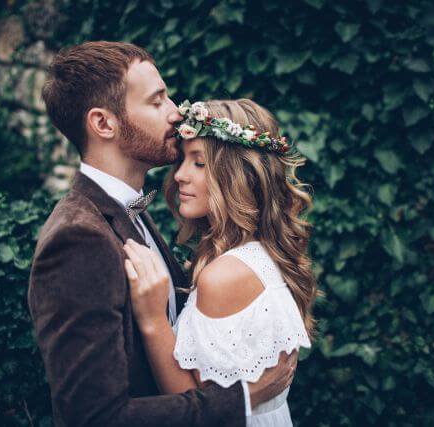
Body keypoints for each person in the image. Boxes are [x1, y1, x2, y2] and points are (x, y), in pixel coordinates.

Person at [27, 41, 298, 427]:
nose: (176, 113)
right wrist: (240, 400)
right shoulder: (79, 238)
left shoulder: (133, 212)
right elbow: (92, 418)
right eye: (157, 102)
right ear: (104, 123)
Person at [122, 99, 318, 426]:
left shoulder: (224, 275)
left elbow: (197, 407)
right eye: (183, 159)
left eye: (199, 163)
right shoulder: (256, 254)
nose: (180, 175)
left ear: (239, 175)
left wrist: (152, 319)